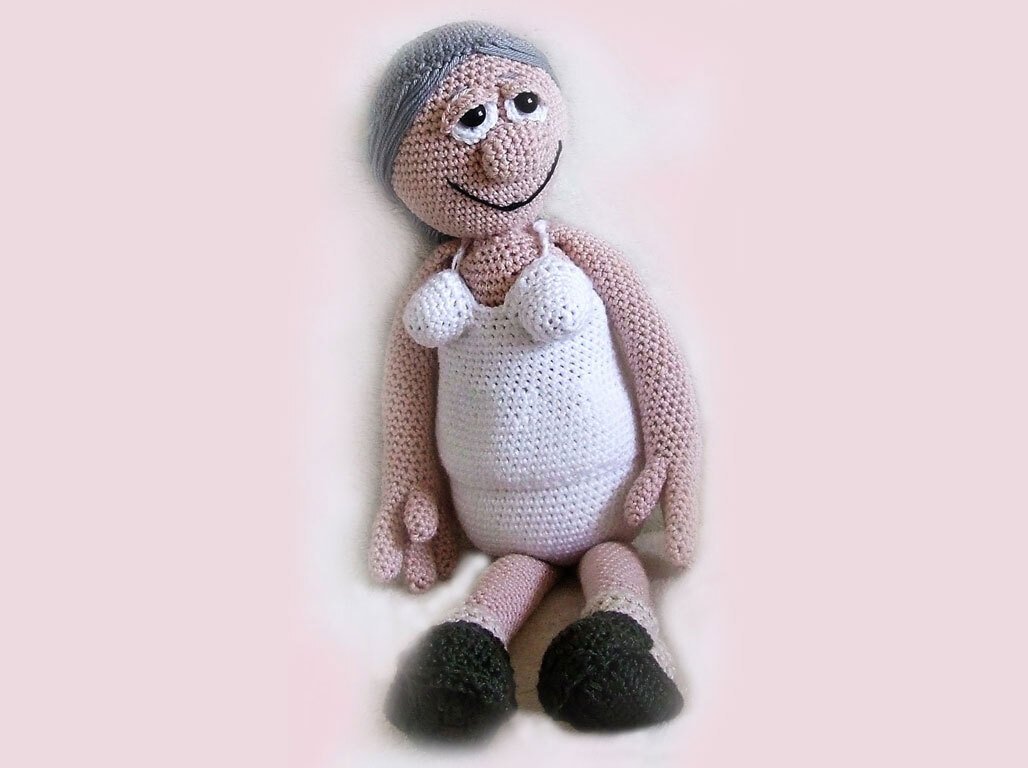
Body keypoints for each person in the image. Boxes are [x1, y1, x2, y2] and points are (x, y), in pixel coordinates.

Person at [366, 20, 702, 738]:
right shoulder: (434, 288)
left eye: (522, 106)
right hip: (495, 518)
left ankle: (625, 643)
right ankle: (463, 655)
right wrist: (410, 482)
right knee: (511, 572)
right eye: (470, 121)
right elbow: (406, 400)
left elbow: (654, 358)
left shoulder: (581, 256)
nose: (500, 152)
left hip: (610, 502)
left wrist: (674, 451)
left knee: (614, 562)